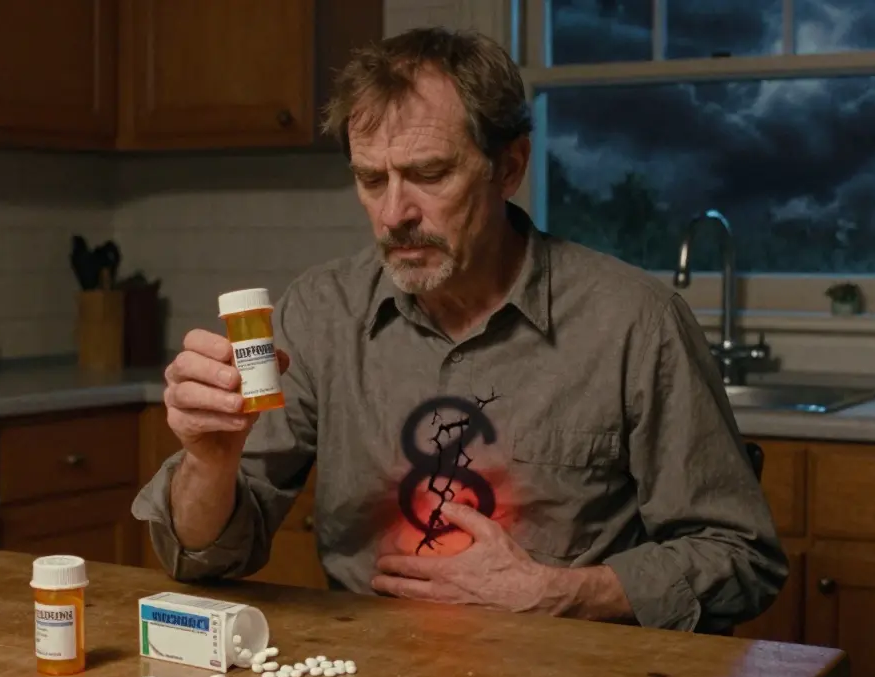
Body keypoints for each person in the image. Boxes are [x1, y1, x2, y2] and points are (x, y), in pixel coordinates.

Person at [132, 26, 786, 634]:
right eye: (370, 180)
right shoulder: (319, 313)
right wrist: (208, 463)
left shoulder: (634, 323)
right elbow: (204, 559)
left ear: (509, 167)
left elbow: (740, 558)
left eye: (429, 174)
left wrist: (560, 591)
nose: (394, 214)